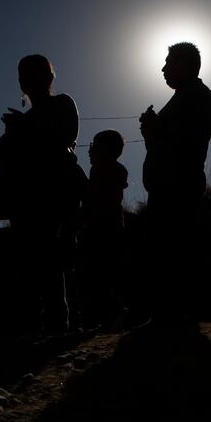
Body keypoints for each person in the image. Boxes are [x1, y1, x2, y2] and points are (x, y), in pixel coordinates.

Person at [0, 54, 85, 335]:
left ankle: (58, 327)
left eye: (33, 74)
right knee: (27, 264)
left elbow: (64, 139)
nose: (26, 81)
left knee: (52, 262)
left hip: (53, 196)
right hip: (24, 200)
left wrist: (23, 130)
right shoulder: (27, 118)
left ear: (48, 77)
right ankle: (31, 327)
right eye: (23, 76)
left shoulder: (62, 104)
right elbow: (6, 158)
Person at [139, 42, 211, 324]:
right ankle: (165, 312)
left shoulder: (198, 96)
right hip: (166, 183)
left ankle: (175, 313)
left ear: (185, 64)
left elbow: (190, 140)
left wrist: (155, 128)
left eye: (169, 62)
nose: (163, 68)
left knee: (174, 248)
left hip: (179, 182)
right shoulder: (183, 96)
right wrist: (151, 130)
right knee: (162, 248)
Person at [78, 129, 129, 331]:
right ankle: (108, 317)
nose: (90, 151)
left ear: (105, 149)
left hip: (103, 228)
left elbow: (96, 201)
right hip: (109, 227)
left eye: (94, 146)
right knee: (105, 274)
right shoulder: (112, 169)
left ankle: (110, 317)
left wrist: (81, 216)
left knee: (98, 274)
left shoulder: (102, 170)